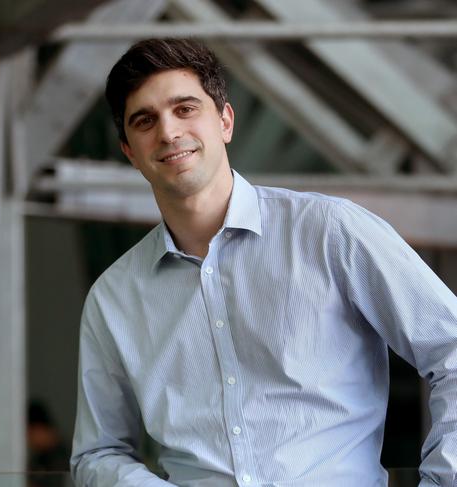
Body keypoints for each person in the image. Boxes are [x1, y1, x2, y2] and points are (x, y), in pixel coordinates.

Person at [70, 38, 457, 487]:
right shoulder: (113, 298)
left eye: (185, 109)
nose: (169, 132)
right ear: (130, 152)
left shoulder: (331, 232)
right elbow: (98, 453)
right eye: (145, 120)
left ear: (225, 121)